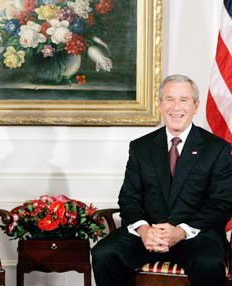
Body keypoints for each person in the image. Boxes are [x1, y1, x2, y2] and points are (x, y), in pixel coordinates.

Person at [91, 74, 232, 286]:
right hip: (149, 234)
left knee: (208, 262)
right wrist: (144, 230)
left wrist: (181, 231)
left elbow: (221, 203)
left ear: (196, 105)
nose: (176, 107)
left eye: (184, 100)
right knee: (104, 253)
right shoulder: (141, 147)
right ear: (159, 104)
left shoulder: (216, 149)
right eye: (169, 99)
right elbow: (129, 198)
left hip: (195, 235)